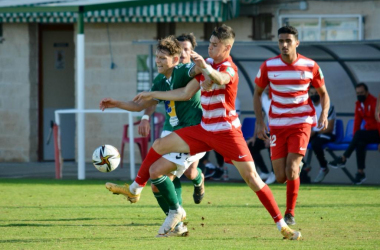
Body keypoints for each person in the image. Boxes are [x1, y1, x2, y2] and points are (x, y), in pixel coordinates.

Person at [133, 24, 301, 240]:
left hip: (227, 133)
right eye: (209, 44)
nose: (210, 48)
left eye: (215, 45)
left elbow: (221, 79)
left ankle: (282, 226)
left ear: (227, 47)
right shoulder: (207, 63)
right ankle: (137, 188)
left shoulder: (230, 68)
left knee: (252, 179)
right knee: (159, 145)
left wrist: (206, 68)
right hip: (203, 130)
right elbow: (185, 91)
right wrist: (152, 94)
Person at [100, 35, 206, 237]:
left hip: (193, 135)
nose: (158, 60)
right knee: (158, 186)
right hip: (175, 135)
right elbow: (142, 104)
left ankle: (167, 207)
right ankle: (177, 224)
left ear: (175, 60)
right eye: (157, 57)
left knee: (160, 172)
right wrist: (117, 103)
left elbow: (197, 70)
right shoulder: (160, 79)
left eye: (163, 58)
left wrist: (202, 63)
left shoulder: (183, 70)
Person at [253, 26, 330, 226]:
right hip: (277, 125)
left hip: (301, 122)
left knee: (292, 170)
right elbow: (257, 93)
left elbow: (323, 93)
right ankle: (293, 169)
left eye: (288, 40)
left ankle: (290, 213)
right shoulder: (269, 66)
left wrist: (323, 113)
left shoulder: (310, 65)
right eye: (281, 41)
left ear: (297, 42)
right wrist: (260, 122)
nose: (284, 44)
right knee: (280, 177)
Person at [135, 33, 206, 205]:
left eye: (186, 49)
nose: (182, 53)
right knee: (169, 172)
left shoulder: (192, 73)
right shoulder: (164, 75)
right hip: (171, 128)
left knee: (190, 172)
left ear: (192, 52)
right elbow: (154, 98)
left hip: (194, 129)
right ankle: (177, 211)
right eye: (179, 49)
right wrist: (145, 117)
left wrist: (206, 65)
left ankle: (199, 181)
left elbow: (185, 92)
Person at [329, 83, 380, 184]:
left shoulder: (374, 102)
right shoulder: (358, 104)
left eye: (361, 93)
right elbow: (357, 122)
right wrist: (355, 139)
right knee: (359, 142)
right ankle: (360, 173)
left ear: (367, 92)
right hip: (368, 133)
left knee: (359, 134)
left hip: (377, 133)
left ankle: (343, 158)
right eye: (358, 93)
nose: (359, 95)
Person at [246, 86, 276, 184]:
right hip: (270, 132)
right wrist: (253, 137)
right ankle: (265, 172)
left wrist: (271, 137)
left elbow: (278, 120)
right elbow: (259, 120)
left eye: (269, 85)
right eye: (265, 86)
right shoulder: (263, 99)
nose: (267, 88)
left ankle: (274, 172)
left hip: (279, 132)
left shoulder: (277, 99)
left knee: (271, 145)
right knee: (251, 145)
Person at [307, 85, 336, 183]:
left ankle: (324, 167)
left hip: (327, 134)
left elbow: (330, 128)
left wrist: (314, 132)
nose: (313, 95)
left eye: (316, 93)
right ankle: (303, 166)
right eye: (311, 94)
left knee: (316, 143)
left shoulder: (327, 105)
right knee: (294, 141)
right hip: (314, 134)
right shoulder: (308, 106)